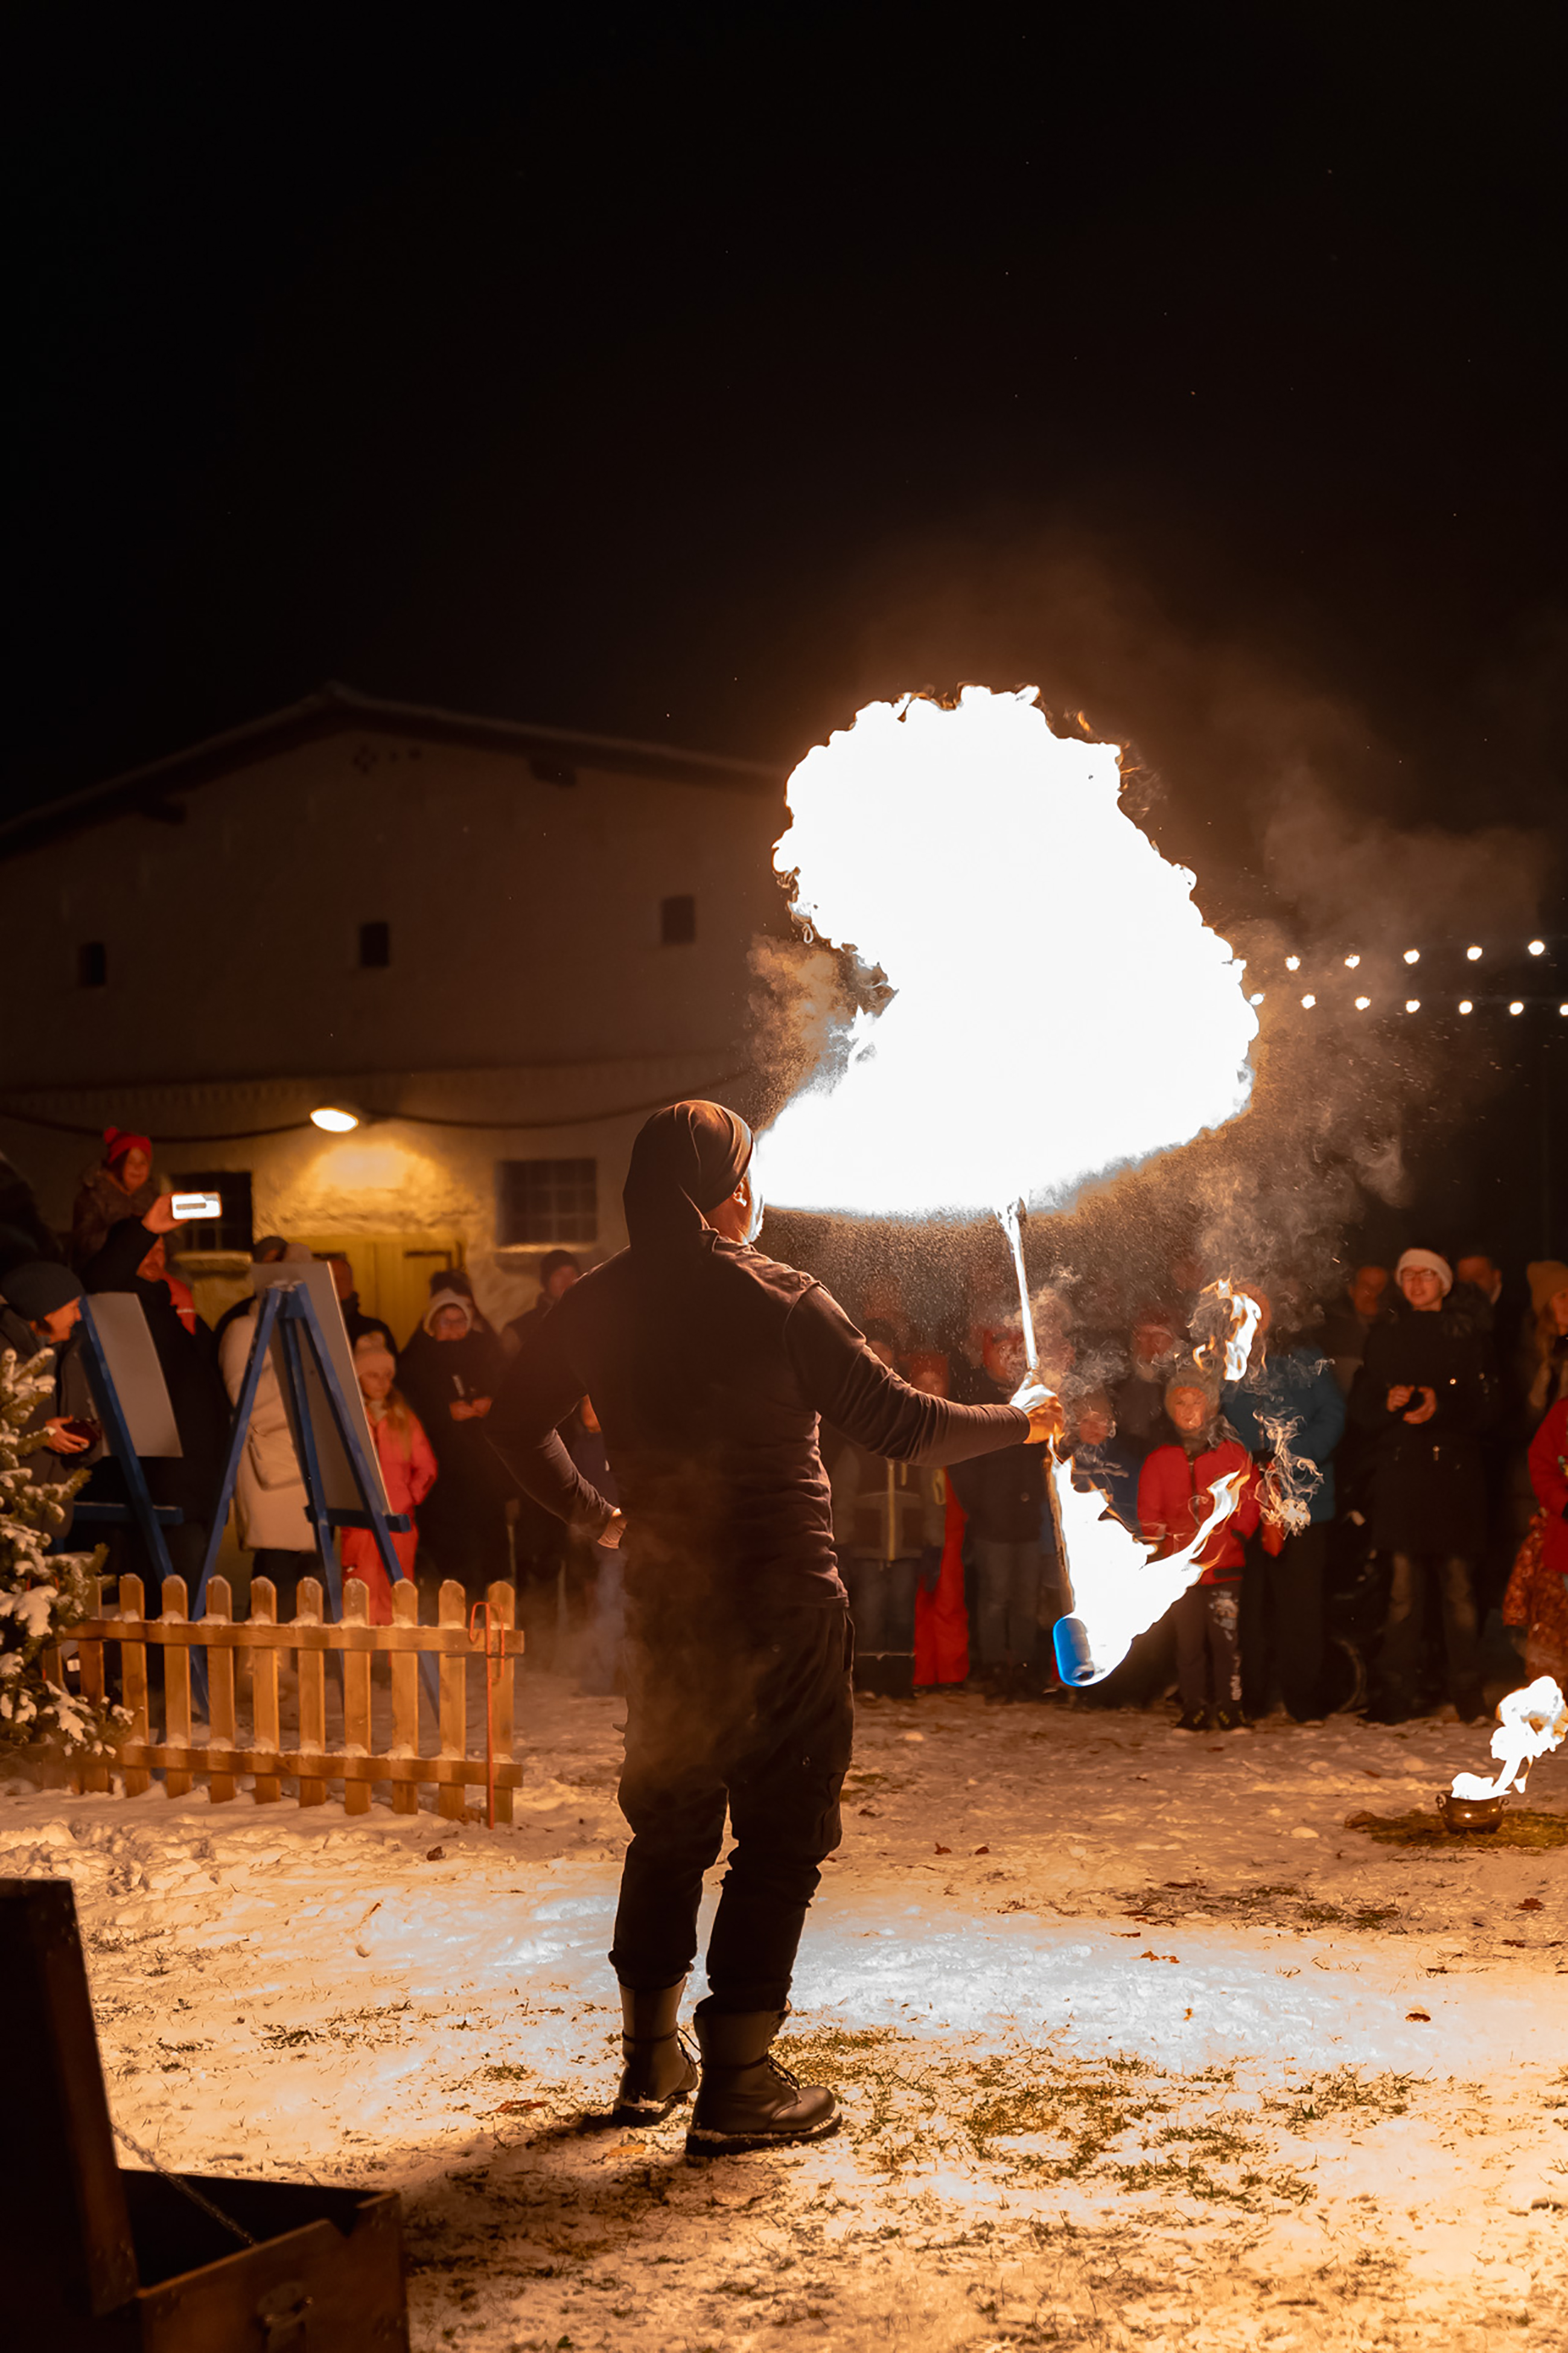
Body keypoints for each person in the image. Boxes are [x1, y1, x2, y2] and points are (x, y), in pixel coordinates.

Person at [488, 1100, 1059, 2154]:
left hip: (667, 1603)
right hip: (781, 1602)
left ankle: (649, 2059)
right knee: (780, 1834)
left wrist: (595, 1514)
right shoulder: (779, 1293)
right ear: (731, 1190)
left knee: (668, 1828)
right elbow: (900, 1423)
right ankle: (739, 2081)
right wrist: (1021, 1415)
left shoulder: (595, 1303)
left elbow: (515, 1422)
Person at [1349, 1247, 1497, 1723]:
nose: (1416, 1283)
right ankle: (1396, 1694)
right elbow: (1362, 1409)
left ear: (1444, 1283)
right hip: (1403, 1478)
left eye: (1426, 1275)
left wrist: (1443, 1404)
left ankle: (1468, 1692)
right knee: (1402, 1593)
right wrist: (1387, 1402)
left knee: (1457, 1590)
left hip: (1452, 1479)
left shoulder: (1469, 1334)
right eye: (1408, 1275)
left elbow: (1492, 1407)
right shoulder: (1386, 1336)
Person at [81, 1195, 230, 1586]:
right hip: (162, 1483)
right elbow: (99, 1279)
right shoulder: (120, 1303)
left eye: (161, 1248)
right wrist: (146, 1228)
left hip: (193, 1486)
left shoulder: (168, 1308)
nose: (155, 1256)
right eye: (147, 1247)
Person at [1223, 1289, 1346, 1722]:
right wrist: (1240, 1462)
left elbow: (1333, 1413)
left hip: (1301, 1499)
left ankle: (1303, 1698)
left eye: (1261, 1302)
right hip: (1242, 1500)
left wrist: (1293, 1457)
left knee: (1301, 1604)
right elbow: (1211, 1419)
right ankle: (1250, 1697)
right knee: (1248, 1605)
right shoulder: (1225, 1360)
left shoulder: (1304, 1356)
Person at [828, 1323, 946, 1700]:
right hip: (867, 1548)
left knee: (901, 1617)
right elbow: (842, 1498)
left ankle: (898, 1680)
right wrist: (843, 1544)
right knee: (870, 1616)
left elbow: (930, 1498)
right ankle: (869, 1680)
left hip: (907, 1550)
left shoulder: (916, 1453)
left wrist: (933, 1545)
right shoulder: (857, 1454)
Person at [1139, 1366, 1260, 1732]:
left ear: (1211, 1407)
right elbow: (1150, 1510)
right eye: (1181, 1402)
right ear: (1169, 1408)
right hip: (1180, 1574)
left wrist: (1236, 1537)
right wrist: (1160, 1547)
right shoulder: (1160, 1459)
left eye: (1197, 1401)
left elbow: (1250, 1501)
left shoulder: (1231, 1455)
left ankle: (1230, 1707)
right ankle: (1193, 1706)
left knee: (1226, 1643)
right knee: (1188, 1643)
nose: (1189, 1409)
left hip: (1225, 1568)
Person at [947, 1326, 1051, 1696]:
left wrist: (1039, 1499)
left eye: (1015, 1351)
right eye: (1002, 1350)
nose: (1010, 1358)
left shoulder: (1030, 1397)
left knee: (1025, 1597)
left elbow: (1043, 1456)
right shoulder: (976, 1398)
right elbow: (964, 1463)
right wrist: (980, 1506)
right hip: (992, 1519)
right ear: (986, 1354)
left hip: (1027, 1520)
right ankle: (992, 1666)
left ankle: (1020, 1667)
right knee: (995, 1597)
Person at [396, 1288, 514, 1594]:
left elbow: (509, 1391)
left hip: (483, 1473)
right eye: (445, 1322)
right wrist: (444, 1413)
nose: (453, 1328)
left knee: (486, 1550)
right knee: (450, 1554)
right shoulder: (414, 1361)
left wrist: (493, 1405)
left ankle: (486, 1612)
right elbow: (406, 1408)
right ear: (431, 1326)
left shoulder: (485, 1351)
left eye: (460, 1320)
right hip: (441, 1476)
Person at [340, 1333, 438, 1623]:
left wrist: (408, 1496)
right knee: (361, 1595)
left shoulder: (404, 1419)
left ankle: (398, 1665)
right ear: (358, 1378)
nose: (382, 1382)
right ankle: (363, 1666)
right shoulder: (349, 1419)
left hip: (399, 1521)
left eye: (387, 1375)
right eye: (372, 1375)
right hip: (361, 1525)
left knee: (398, 1594)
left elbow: (427, 1466)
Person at [0, 1261, 104, 1528]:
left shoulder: (68, 1356)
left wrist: (85, 1440)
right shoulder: (5, 1356)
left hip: (48, 1519)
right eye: (72, 1308)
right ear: (46, 1310)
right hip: (8, 1518)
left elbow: (80, 1414)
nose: (78, 1317)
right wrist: (40, 1434)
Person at [908, 1353, 971, 1693]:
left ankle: (949, 1672)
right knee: (917, 1598)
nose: (932, 1389)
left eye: (938, 1382)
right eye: (924, 1382)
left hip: (951, 1524)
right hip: (913, 1522)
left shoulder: (956, 1422)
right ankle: (920, 1671)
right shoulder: (904, 1424)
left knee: (949, 1598)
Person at [1500, 1394, 1568, 1686]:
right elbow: (1542, 1465)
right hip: (1564, 1550)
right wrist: (1564, 1503)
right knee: (1554, 1644)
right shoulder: (1564, 1415)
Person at [70, 1128, 156, 1272]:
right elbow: (85, 1243)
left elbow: (168, 1241)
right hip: (103, 1272)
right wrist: (124, 1233)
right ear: (117, 1164)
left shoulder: (151, 1199)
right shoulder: (93, 1198)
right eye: (131, 1162)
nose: (138, 1168)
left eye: (143, 1162)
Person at [1112, 1306, 1181, 1453]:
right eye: (1143, 1336)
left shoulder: (1184, 1381)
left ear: (1172, 1342)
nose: (1151, 1343)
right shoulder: (1116, 1379)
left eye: (1159, 1337)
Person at [1319, 1264, 1391, 1396]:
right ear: (1352, 1290)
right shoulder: (1333, 1332)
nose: (1374, 1293)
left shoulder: (1394, 1332)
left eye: (1380, 1287)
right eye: (1366, 1286)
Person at [503, 1249, 581, 1356]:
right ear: (546, 1280)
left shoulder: (589, 1318)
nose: (567, 1280)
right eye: (559, 1274)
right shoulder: (519, 1330)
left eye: (572, 1273)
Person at [1525, 1261, 1568, 1423]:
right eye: (1562, 1296)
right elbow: (1518, 1424)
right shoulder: (1529, 1351)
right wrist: (1536, 1401)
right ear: (1546, 1305)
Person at [328, 1254, 396, 1353]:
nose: (335, 1285)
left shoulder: (374, 1331)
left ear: (351, 1284)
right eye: (330, 1279)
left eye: (340, 1279)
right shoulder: (311, 1330)